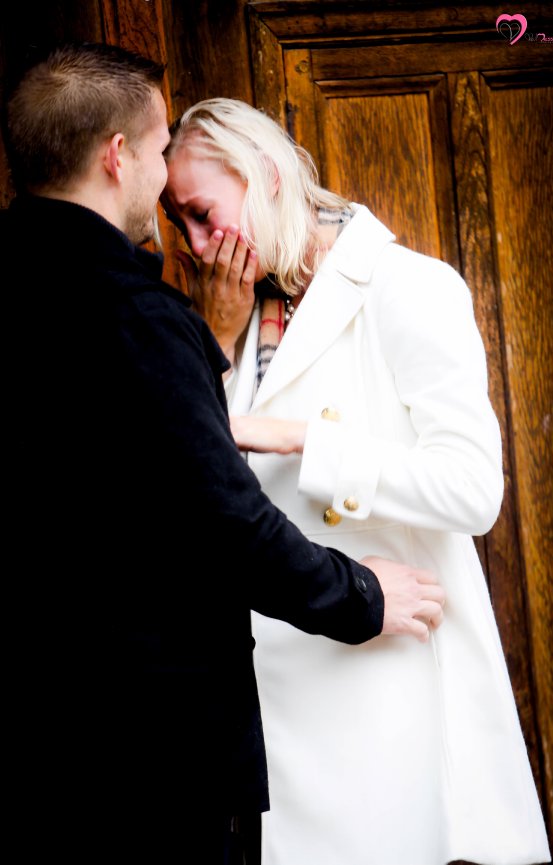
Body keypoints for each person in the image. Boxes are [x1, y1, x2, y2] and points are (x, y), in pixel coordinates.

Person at [1, 46, 447, 861]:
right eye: (160, 143)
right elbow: (219, 517)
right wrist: (359, 594)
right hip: (148, 756)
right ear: (117, 155)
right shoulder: (138, 315)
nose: (188, 230)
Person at [162, 97, 551, 865]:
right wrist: (218, 339)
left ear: (266, 174)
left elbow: (473, 489)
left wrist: (306, 439)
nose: (201, 247)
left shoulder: (407, 287)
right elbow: (204, 486)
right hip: (273, 707)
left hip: (381, 683)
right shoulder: (233, 313)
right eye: (183, 227)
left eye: (205, 214)